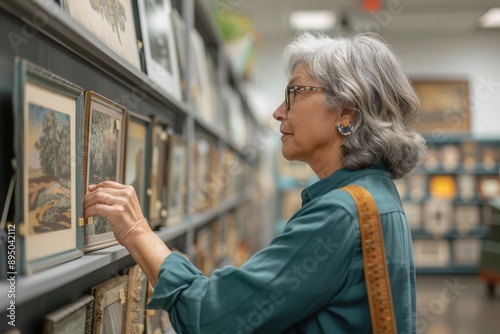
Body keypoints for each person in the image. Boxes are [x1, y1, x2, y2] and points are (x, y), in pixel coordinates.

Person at [84, 32, 427, 333]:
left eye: (294, 93)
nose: (279, 111)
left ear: (346, 113)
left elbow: (210, 318)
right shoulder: (377, 195)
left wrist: (137, 233)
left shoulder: (341, 213)